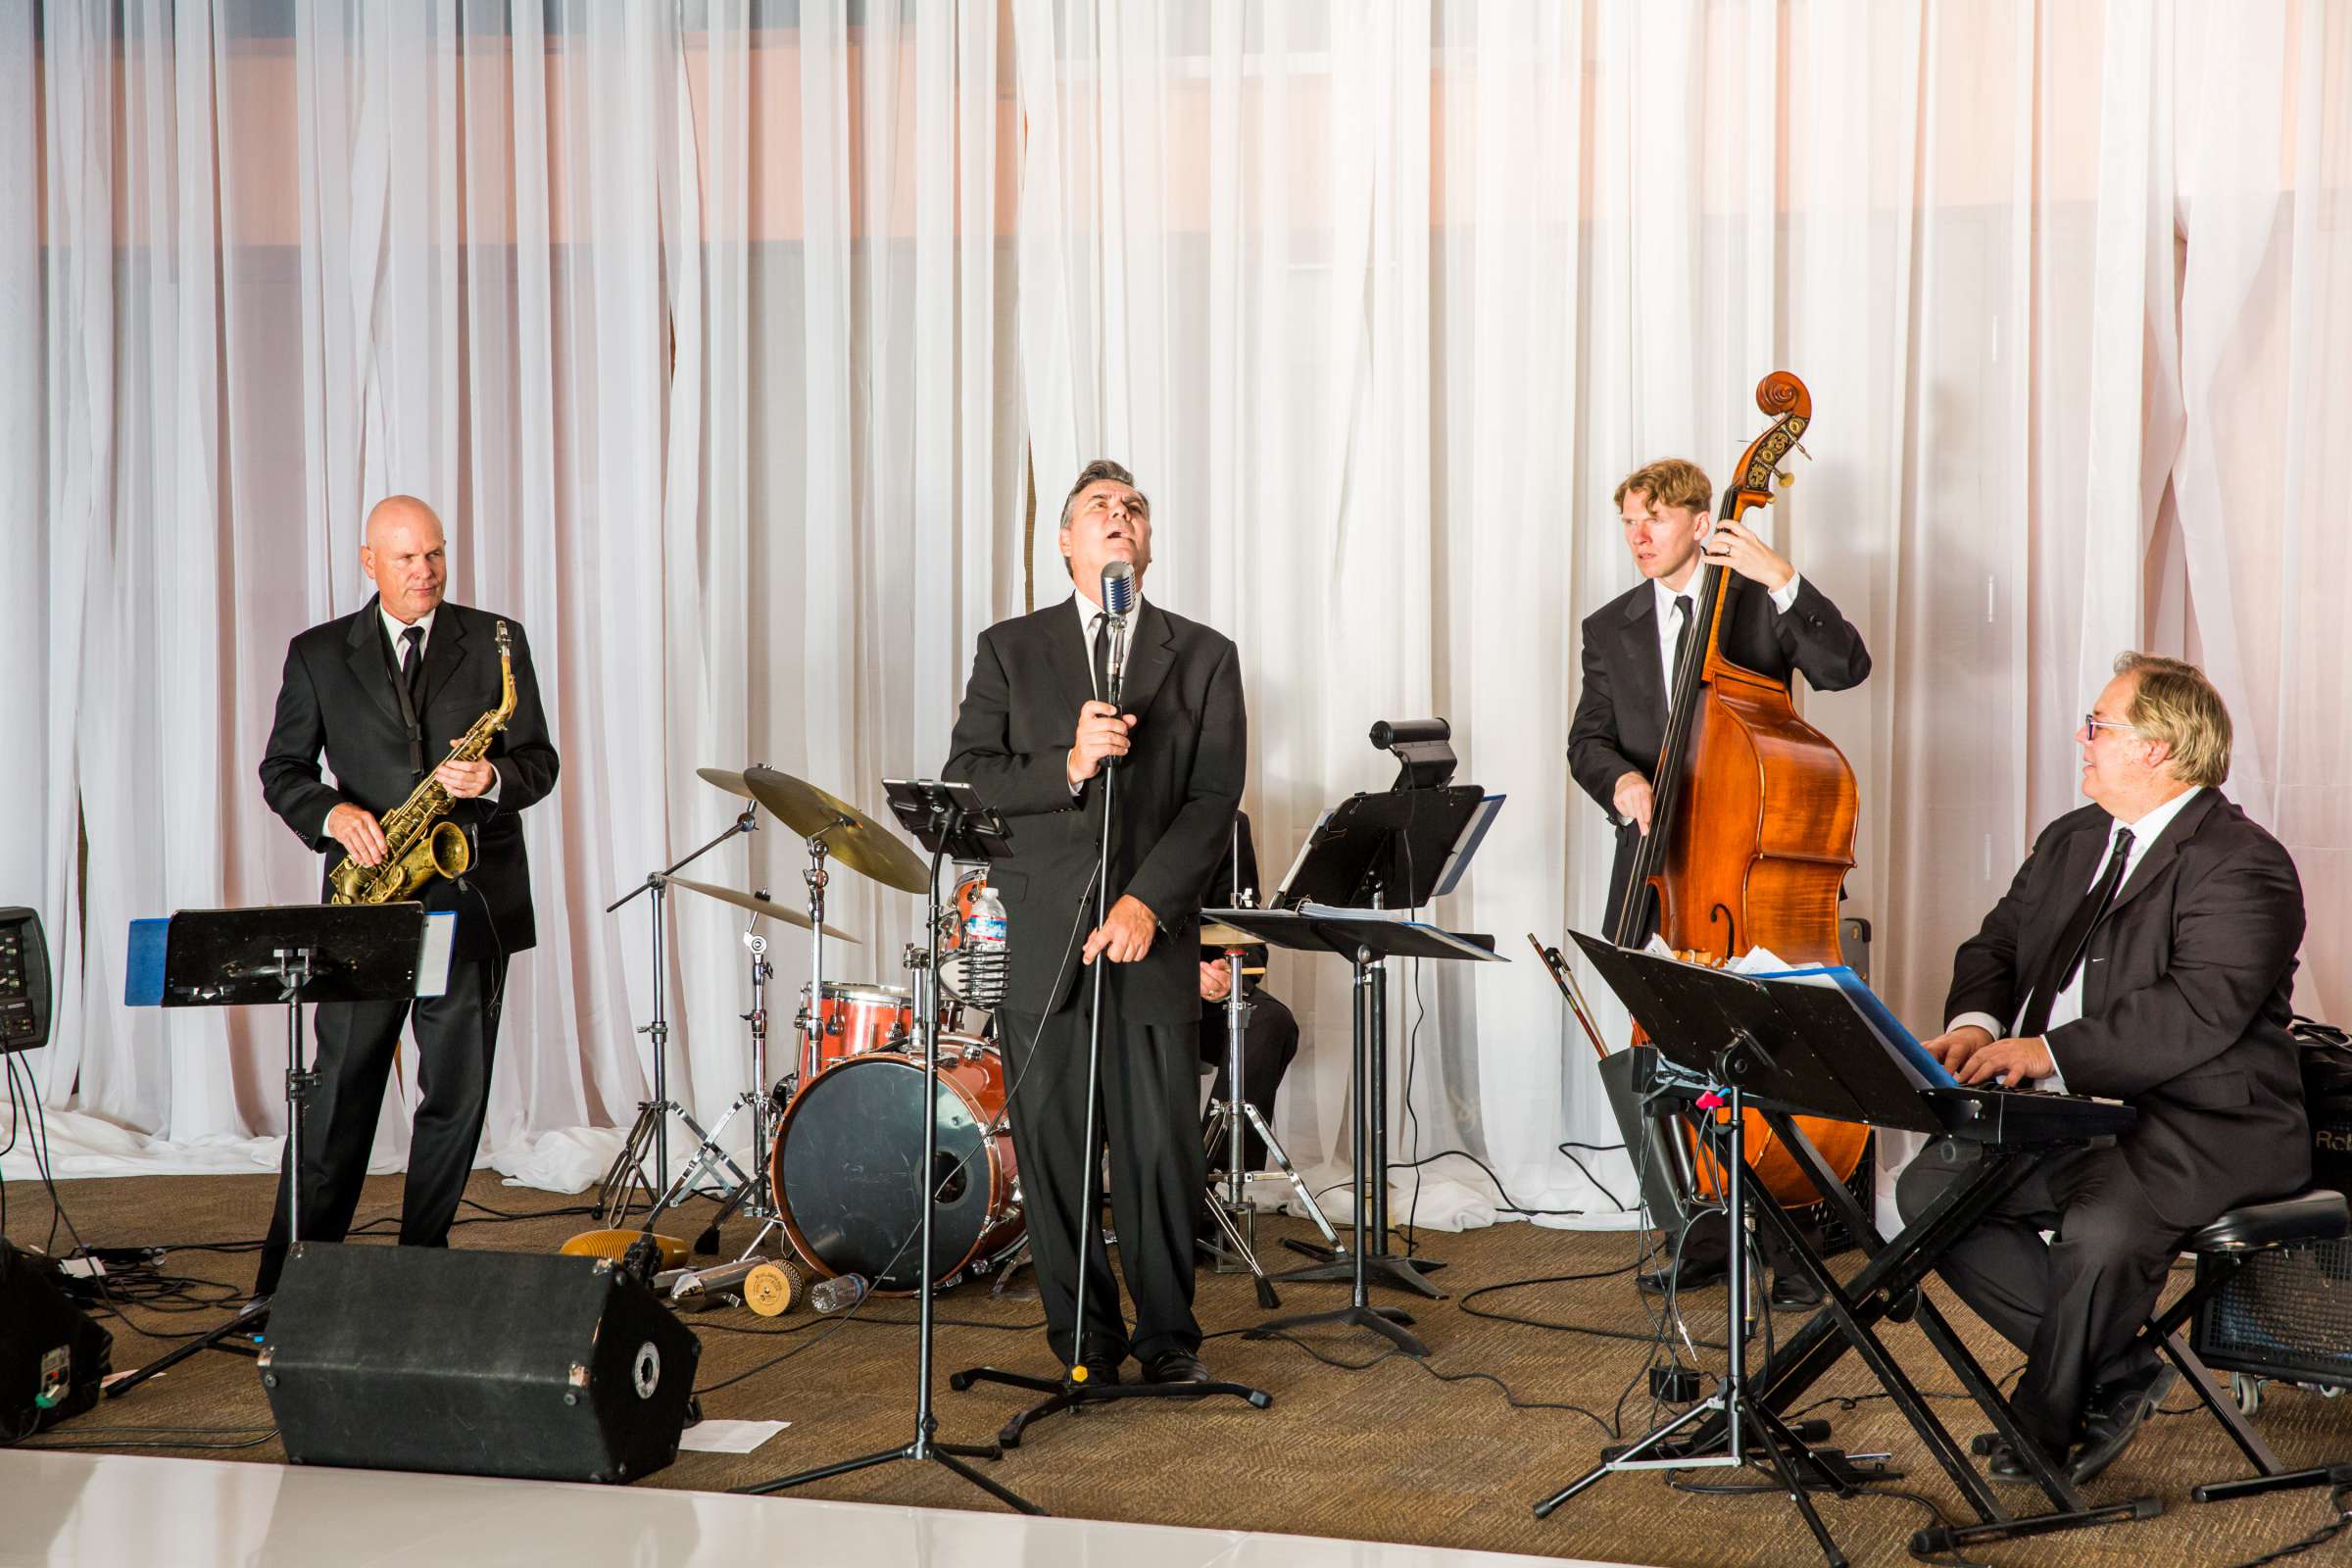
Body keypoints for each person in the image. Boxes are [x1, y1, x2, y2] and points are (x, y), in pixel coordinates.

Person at [1900, 654, 2307, 1487]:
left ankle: (2046, 1427)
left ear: (2158, 748)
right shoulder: (2073, 837)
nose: (2081, 739)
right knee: (1930, 1194)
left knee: (2104, 1227)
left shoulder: (2243, 861)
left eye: (2099, 725)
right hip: (2072, 1114)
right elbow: (1997, 946)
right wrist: (1975, 1024)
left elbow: (2198, 1007)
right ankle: (2116, 1377)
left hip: (2202, 1121)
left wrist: (2047, 1053)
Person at [944, 460, 1246, 1389]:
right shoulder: (1010, 648)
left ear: (1146, 542)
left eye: (1134, 509)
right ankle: (1085, 1344)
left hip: (1151, 935)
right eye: (1098, 510)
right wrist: (1068, 761)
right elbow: (970, 779)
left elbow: (1212, 798)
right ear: (1066, 542)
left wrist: (1146, 902)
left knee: (1159, 1148)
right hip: (1041, 940)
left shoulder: (1200, 654)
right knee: (1054, 1146)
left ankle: (1168, 1342)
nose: (1119, 519)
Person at [1568, 458, 1872, 1305]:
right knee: (1663, 1055)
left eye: (1654, 519)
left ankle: (1790, 1237)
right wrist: (1620, 782)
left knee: (1769, 1053)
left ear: (1703, 524)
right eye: (1628, 520)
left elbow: (1847, 668)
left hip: (1750, 871)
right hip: (1661, 871)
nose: (1637, 535)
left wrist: (1781, 577)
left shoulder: (1753, 605)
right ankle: (1697, 1229)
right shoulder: (1610, 625)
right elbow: (1587, 739)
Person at [253, 496, 559, 1298]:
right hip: (367, 903)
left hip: (470, 899)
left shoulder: (498, 641)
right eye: (406, 559)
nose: (425, 572)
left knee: (454, 1097)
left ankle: (421, 1270)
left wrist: (492, 778)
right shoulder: (318, 654)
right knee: (338, 1091)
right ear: (369, 563)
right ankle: (289, 1284)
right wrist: (333, 814)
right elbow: (282, 772)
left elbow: (540, 762)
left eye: (435, 554)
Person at [1196, 811, 1299, 1177]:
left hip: (1204, 995)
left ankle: (1208, 1178)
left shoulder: (1229, 825)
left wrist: (1228, 975)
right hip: (1126, 992)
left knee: (1269, 1020)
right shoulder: (1105, 816)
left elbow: (1248, 932)